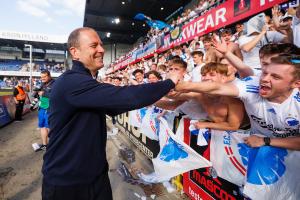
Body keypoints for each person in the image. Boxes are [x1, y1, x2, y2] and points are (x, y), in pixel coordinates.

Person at [42, 27, 180, 200]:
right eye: (94, 45)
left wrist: (166, 101)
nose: (101, 49)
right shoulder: (72, 82)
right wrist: (169, 82)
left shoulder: (82, 82)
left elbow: (116, 104)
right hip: (68, 183)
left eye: (101, 45)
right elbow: (125, 96)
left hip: (94, 176)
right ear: (74, 52)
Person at [176, 54, 300, 150]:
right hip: (254, 147)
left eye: (276, 77)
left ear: (296, 84)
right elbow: (217, 87)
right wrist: (179, 86)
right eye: (265, 73)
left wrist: (266, 141)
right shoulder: (250, 86)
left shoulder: (297, 104)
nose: (264, 79)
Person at [36, 70, 55, 151]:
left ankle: (53, 146)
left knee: (49, 127)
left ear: (49, 76)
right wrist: (37, 93)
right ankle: (45, 145)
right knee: (42, 126)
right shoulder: (42, 84)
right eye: (41, 77)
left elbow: (56, 95)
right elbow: (38, 94)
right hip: (42, 108)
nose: (42, 78)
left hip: (50, 109)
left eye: (44, 76)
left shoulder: (55, 83)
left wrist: (43, 94)